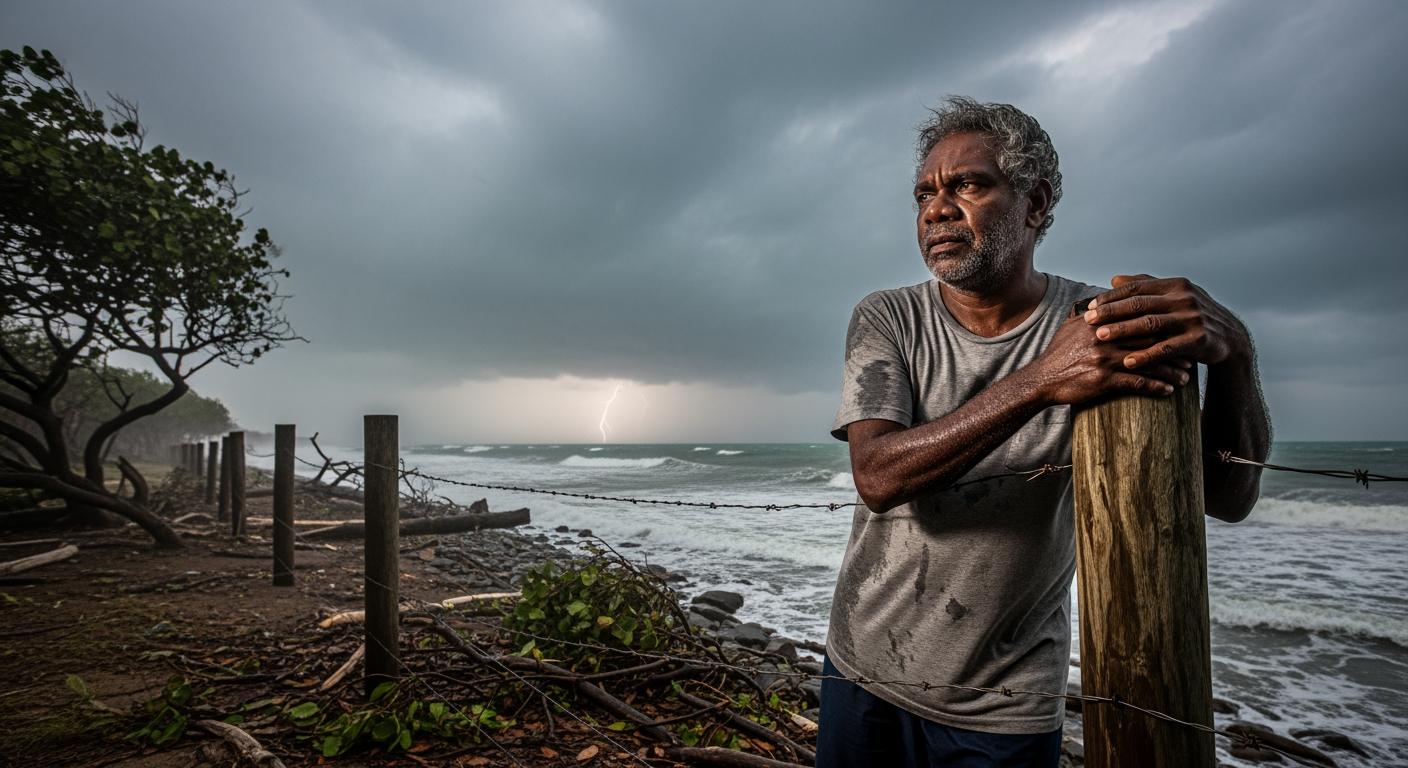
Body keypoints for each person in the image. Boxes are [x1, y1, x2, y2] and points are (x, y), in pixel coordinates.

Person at [817, 97, 1271, 767]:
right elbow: (879, 476)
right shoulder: (890, 318)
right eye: (924, 194)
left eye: (969, 184)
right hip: (861, 666)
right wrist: (1042, 379)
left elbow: (1229, 500)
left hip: (1004, 699)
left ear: (1036, 202)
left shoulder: (1100, 328)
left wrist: (1236, 354)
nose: (936, 209)